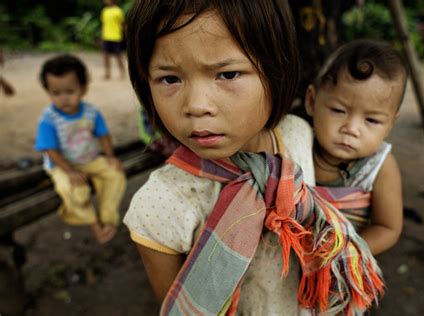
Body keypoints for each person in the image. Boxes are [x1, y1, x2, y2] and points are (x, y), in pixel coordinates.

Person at [124, 1, 384, 315]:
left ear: (276, 70)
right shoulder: (160, 204)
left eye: (228, 74)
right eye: (169, 79)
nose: (196, 105)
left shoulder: (297, 134)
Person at [304, 39, 407, 256]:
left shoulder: (379, 166)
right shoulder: (297, 143)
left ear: (390, 125)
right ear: (312, 101)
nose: (351, 129)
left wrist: (345, 253)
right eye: (339, 110)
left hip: (340, 273)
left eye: (372, 120)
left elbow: (387, 228)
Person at [35, 54, 126, 244]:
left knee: (115, 175)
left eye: (70, 91)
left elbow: (103, 135)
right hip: (61, 164)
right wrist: (69, 171)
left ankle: (108, 219)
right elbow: (50, 150)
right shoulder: (48, 118)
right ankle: (93, 224)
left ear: (83, 89)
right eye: (56, 93)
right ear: (48, 91)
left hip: (90, 158)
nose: (63, 98)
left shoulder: (92, 112)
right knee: (70, 190)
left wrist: (110, 157)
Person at [100, 0, 126, 79]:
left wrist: (126, 35)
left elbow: (122, 24)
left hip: (116, 36)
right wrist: (101, 36)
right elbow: (103, 24)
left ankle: (122, 72)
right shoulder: (104, 11)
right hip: (106, 36)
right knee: (105, 55)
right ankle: (107, 73)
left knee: (118, 55)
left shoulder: (118, 11)